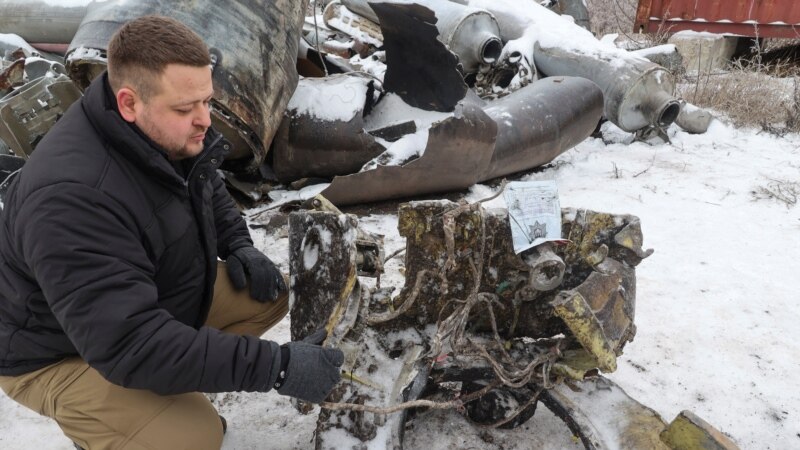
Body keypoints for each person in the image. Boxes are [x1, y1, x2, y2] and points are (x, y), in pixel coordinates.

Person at [0, 15, 343, 449]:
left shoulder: (157, 127)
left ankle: (160, 389)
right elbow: (130, 342)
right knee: (193, 437)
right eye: (186, 109)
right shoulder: (70, 200)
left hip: (128, 305)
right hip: (56, 353)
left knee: (266, 291)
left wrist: (237, 243)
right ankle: (118, 423)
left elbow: (203, 179)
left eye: (206, 100)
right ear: (128, 102)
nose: (204, 120)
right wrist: (275, 368)